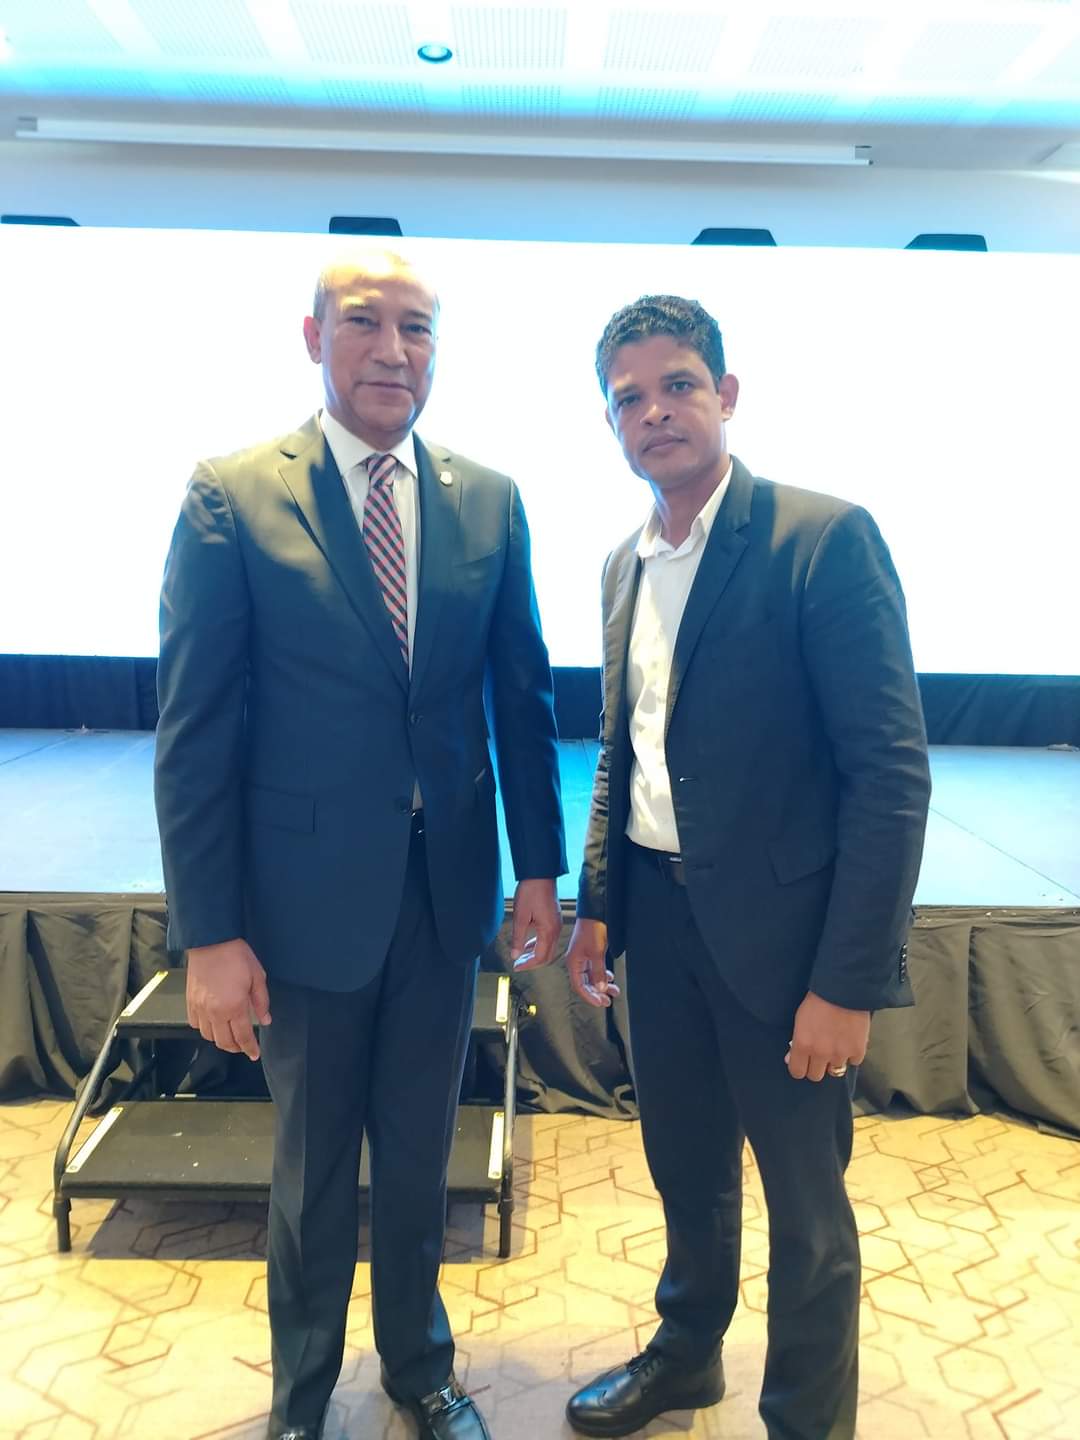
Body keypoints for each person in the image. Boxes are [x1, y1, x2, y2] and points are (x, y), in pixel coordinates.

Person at [153, 249, 566, 1440]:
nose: (394, 350)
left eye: (418, 328)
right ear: (312, 337)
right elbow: (195, 733)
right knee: (314, 1169)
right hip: (301, 907)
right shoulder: (233, 495)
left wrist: (539, 869)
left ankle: (420, 1368)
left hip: (444, 900)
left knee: (423, 1154)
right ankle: (300, 1396)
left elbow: (521, 699)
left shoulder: (488, 498)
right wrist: (210, 932)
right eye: (365, 322)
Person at [561, 295, 931, 1440]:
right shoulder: (623, 565)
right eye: (629, 398)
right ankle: (687, 1357)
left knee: (806, 1210)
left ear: (726, 394)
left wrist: (846, 983)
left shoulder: (821, 537)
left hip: (787, 946)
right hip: (660, 928)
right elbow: (626, 755)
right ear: (611, 422)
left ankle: (806, 1422)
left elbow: (889, 777)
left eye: (678, 385)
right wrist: (597, 906)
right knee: (686, 1168)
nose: (655, 412)